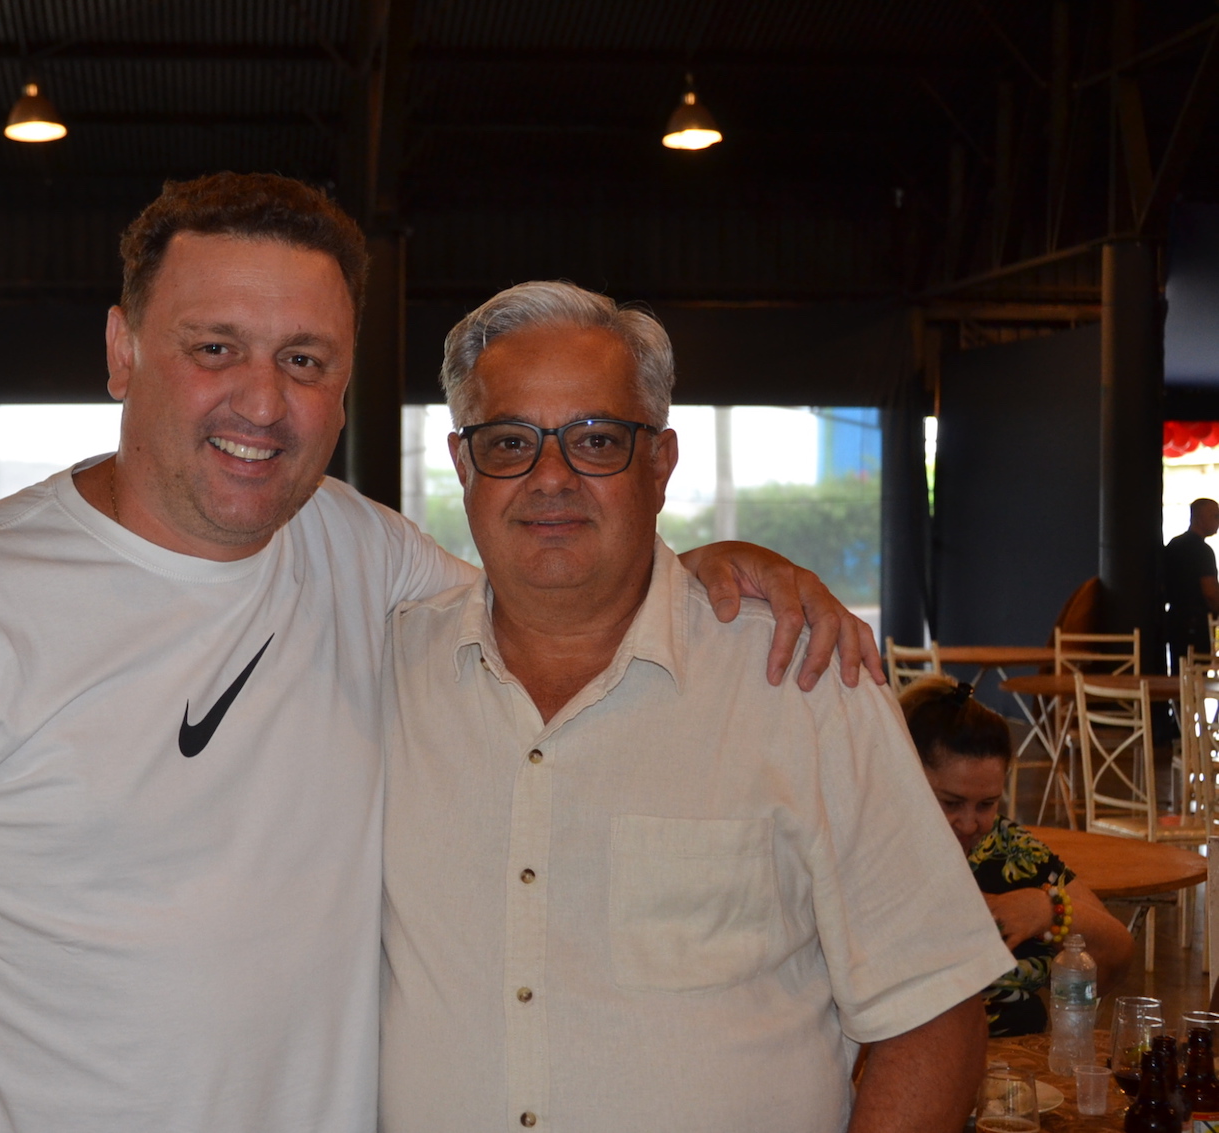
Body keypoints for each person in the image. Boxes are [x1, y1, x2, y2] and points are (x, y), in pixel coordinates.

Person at [0, 174, 876, 1133]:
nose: (261, 402)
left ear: (343, 383)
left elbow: (561, 603)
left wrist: (708, 562)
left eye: (303, 360)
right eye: (213, 346)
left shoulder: (363, 554)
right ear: (122, 350)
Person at [367, 281, 1011, 1131]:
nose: (550, 477)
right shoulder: (384, 673)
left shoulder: (801, 678)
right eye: (510, 441)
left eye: (596, 440)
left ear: (660, 464)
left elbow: (932, 1007)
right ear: (463, 465)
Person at [899, 675, 1133, 1037]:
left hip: (1019, 1062)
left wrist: (1048, 910)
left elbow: (1116, 955)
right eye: (951, 802)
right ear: (904, 777)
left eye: (987, 804)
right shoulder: (871, 853)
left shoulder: (1010, 851)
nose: (970, 823)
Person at [1165, 498, 1219, 664]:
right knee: (1198, 671)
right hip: (1197, 623)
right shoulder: (1203, 551)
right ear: (1199, 519)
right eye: (1215, 516)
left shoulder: (1174, 545)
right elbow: (1210, 592)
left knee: (1180, 670)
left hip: (1175, 620)